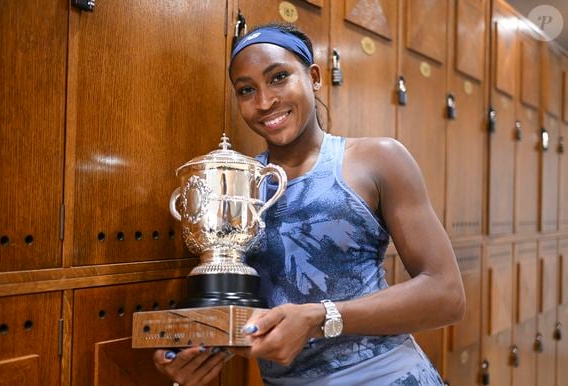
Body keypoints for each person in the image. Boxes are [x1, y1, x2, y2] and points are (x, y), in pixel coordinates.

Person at [154, 23, 465, 386]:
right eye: (246, 90)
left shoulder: (377, 159)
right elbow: (245, 308)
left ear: (314, 76)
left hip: (387, 376)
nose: (265, 102)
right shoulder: (238, 189)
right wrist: (192, 353)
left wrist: (320, 317)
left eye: (279, 77)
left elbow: (446, 294)